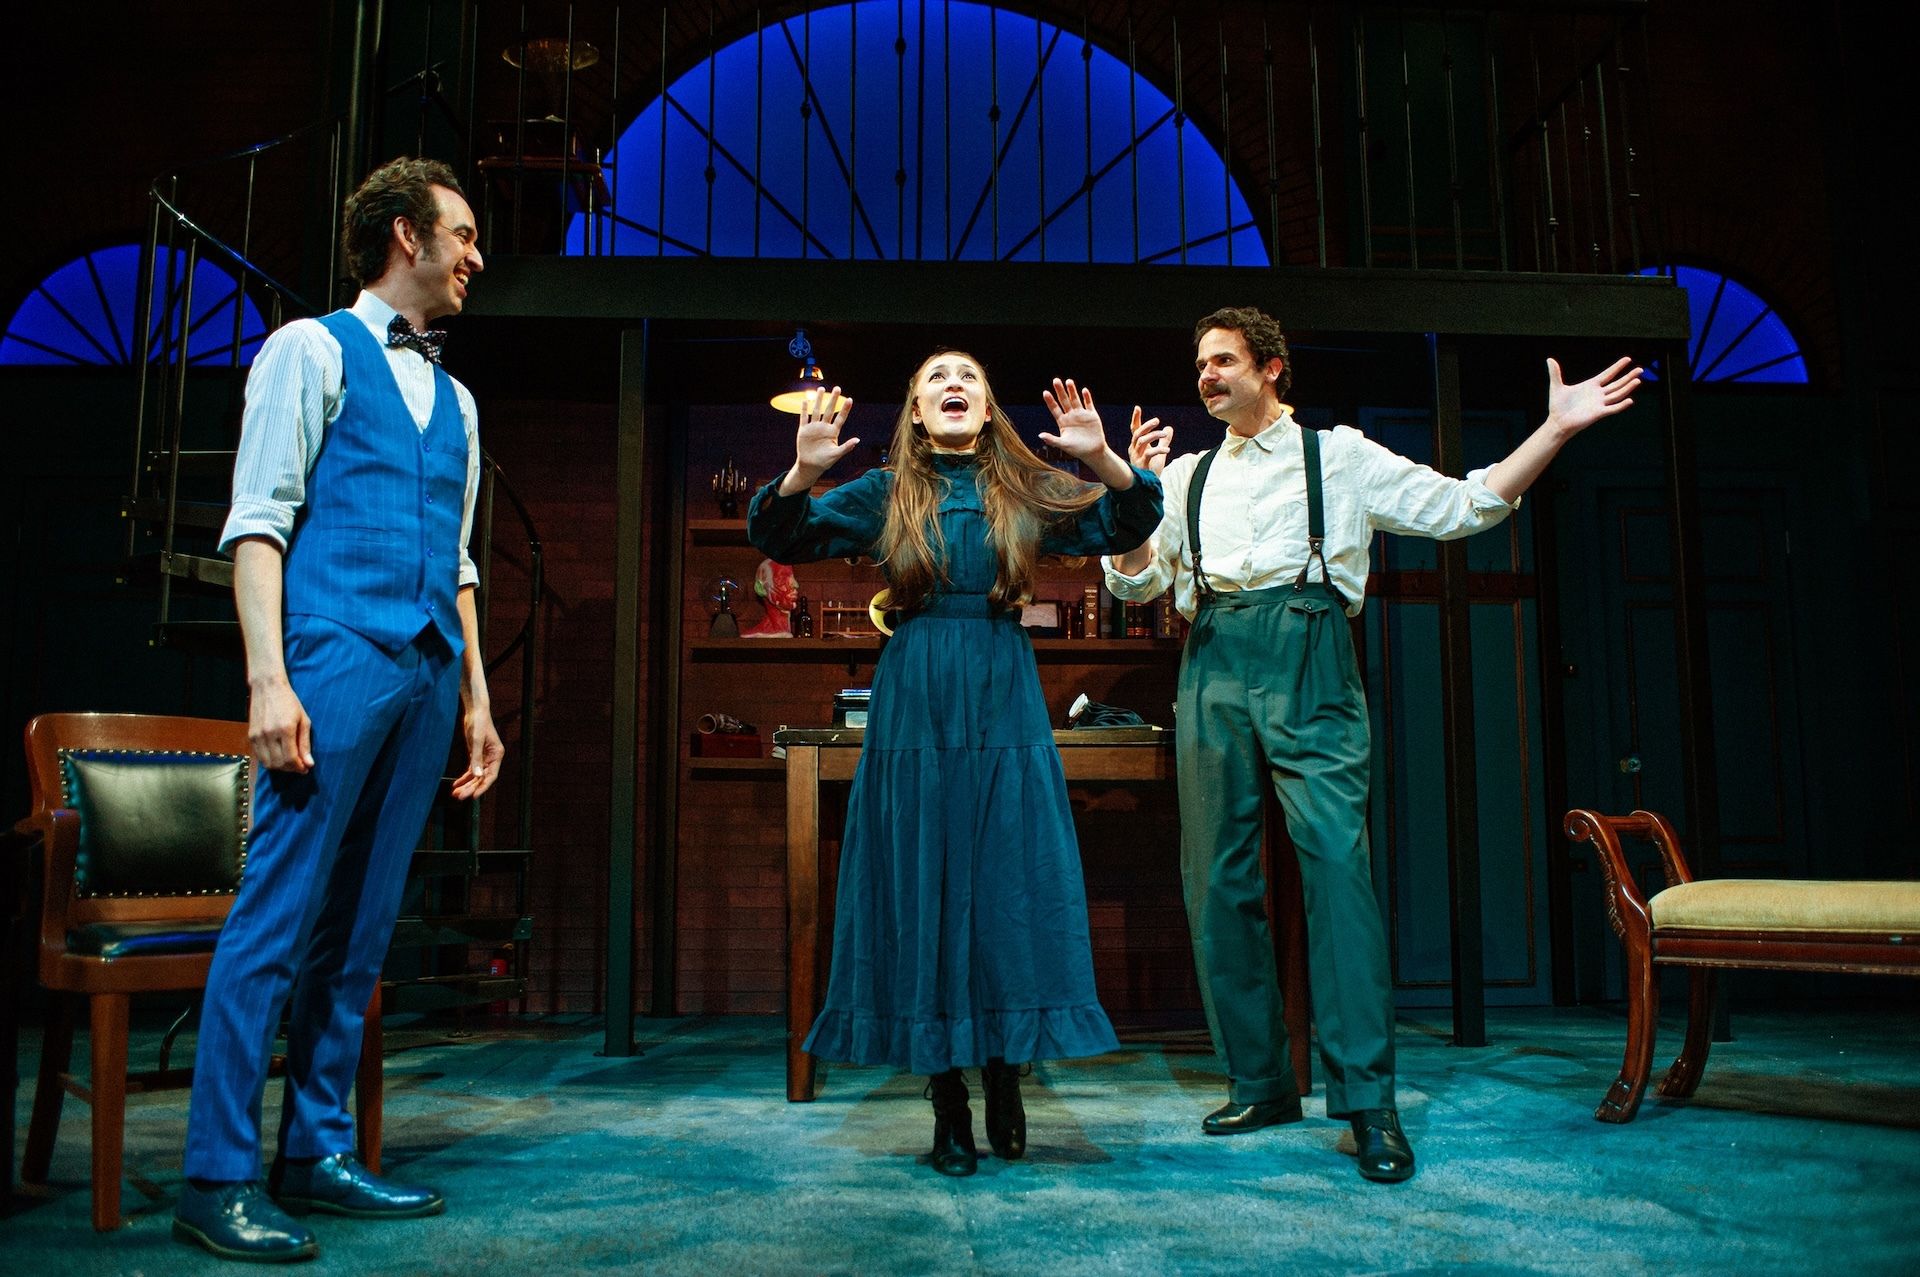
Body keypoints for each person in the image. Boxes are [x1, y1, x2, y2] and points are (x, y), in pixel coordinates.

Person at [1106, 306, 1639, 1183]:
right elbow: (1136, 587)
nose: (1206, 375)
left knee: (1338, 876)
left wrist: (1554, 428)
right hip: (1213, 661)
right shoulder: (1188, 474)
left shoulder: (1340, 455)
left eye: (1224, 360)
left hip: (1310, 650)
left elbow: (1466, 505)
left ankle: (1367, 1102)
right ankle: (1261, 1080)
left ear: (1272, 369)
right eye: (1199, 362)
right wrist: (1133, 498)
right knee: (1215, 882)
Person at [174, 157, 504, 1262]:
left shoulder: (456, 398)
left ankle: (312, 1149)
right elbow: (258, 523)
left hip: (425, 669)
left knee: (360, 928)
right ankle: (216, 1173)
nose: (474, 257)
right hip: (331, 656)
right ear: (405, 236)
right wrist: (268, 679)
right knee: (277, 918)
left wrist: (478, 700)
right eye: (460, 236)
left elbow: (457, 559)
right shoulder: (310, 348)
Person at [748, 353, 1165, 1177]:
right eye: (936, 376)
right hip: (916, 689)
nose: (953, 384)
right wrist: (801, 471)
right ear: (914, 407)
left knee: (1006, 878)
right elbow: (780, 533)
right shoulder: (885, 491)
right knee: (927, 878)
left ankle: (1006, 1072)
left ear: (985, 405)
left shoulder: (1024, 484)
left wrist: (1102, 460)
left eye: (969, 376)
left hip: (1002, 685)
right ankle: (946, 1098)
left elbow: (1126, 520)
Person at [740, 557, 799, 637]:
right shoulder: (754, 637)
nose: (795, 584)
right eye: (782, 578)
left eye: (792, 577)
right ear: (761, 588)